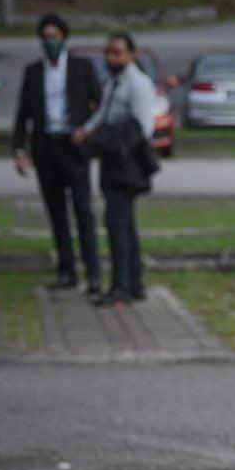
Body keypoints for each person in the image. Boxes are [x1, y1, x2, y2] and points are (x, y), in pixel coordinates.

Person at [13, 13, 103, 295]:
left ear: (64, 38)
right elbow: (22, 115)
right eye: (45, 36)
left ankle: (94, 273)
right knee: (57, 213)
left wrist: (88, 131)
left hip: (73, 146)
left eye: (55, 36)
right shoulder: (33, 72)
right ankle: (67, 270)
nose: (50, 41)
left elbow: (100, 105)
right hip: (46, 147)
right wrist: (19, 150)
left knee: (83, 211)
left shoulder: (81, 67)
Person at [72, 31, 157, 307]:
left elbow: (144, 125)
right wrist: (87, 131)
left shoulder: (138, 84)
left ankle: (121, 285)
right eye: (108, 52)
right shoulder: (114, 82)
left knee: (117, 224)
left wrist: (113, 139)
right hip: (111, 157)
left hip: (127, 160)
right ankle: (133, 282)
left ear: (131, 54)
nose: (111, 57)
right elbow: (103, 113)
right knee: (123, 224)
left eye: (117, 52)